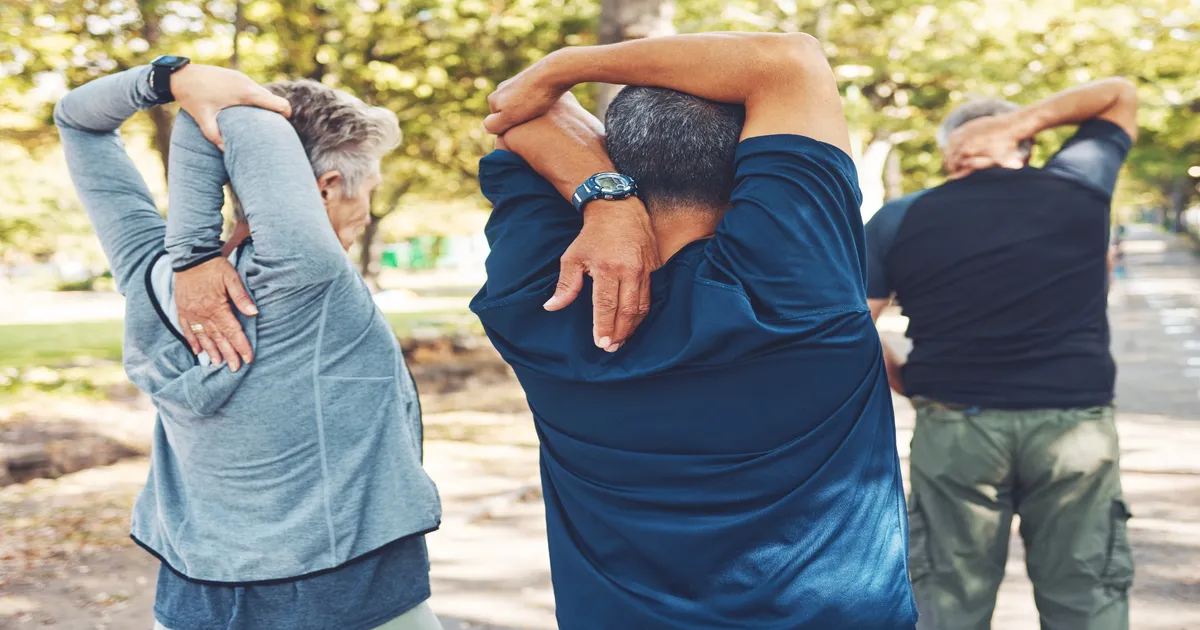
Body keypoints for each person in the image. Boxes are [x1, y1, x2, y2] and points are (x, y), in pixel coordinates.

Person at [475, 33, 916, 629]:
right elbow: (790, 61)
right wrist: (567, 67)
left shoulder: (539, 299)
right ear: (752, 170)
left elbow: (517, 115)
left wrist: (607, 200)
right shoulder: (801, 285)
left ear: (619, 159)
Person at [55, 61, 442, 630]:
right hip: (350, 592)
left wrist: (171, 81)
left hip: (198, 595)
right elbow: (243, 117)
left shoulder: (151, 274)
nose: (367, 212)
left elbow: (78, 121)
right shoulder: (311, 278)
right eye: (371, 190)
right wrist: (203, 89)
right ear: (328, 188)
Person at [864, 79, 1139, 629]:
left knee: (946, 598)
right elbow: (1119, 94)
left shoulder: (898, 218)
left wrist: (902, 377)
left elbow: (852, 326)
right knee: (1086, 596)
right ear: (1028, 142)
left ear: (947, 153)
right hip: (1074, 430)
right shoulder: (1080, 187)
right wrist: (1017, 124)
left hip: (956, 428)